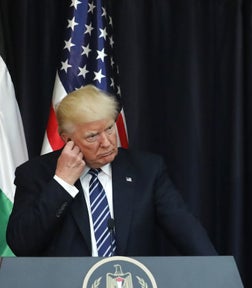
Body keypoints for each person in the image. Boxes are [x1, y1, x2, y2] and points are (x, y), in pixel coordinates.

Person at [7, 85, 217, 256]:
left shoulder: (147, 170)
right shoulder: (35, 174)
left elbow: (188, 233)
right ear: (67, 139)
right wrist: (61, 183)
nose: (107, 142)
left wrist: (217, 274)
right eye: (92, 136)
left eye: (109, 128)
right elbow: (22, 245)